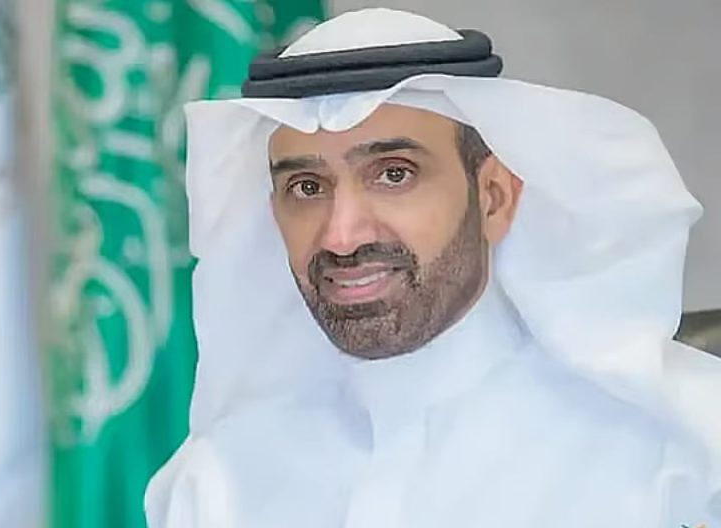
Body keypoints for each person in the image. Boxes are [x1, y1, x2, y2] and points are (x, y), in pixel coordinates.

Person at [145, 8, 721, 528]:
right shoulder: (215, 483)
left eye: (394, 174)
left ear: (493, 196)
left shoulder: (683, 450)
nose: (342, 237)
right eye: (307, 186)